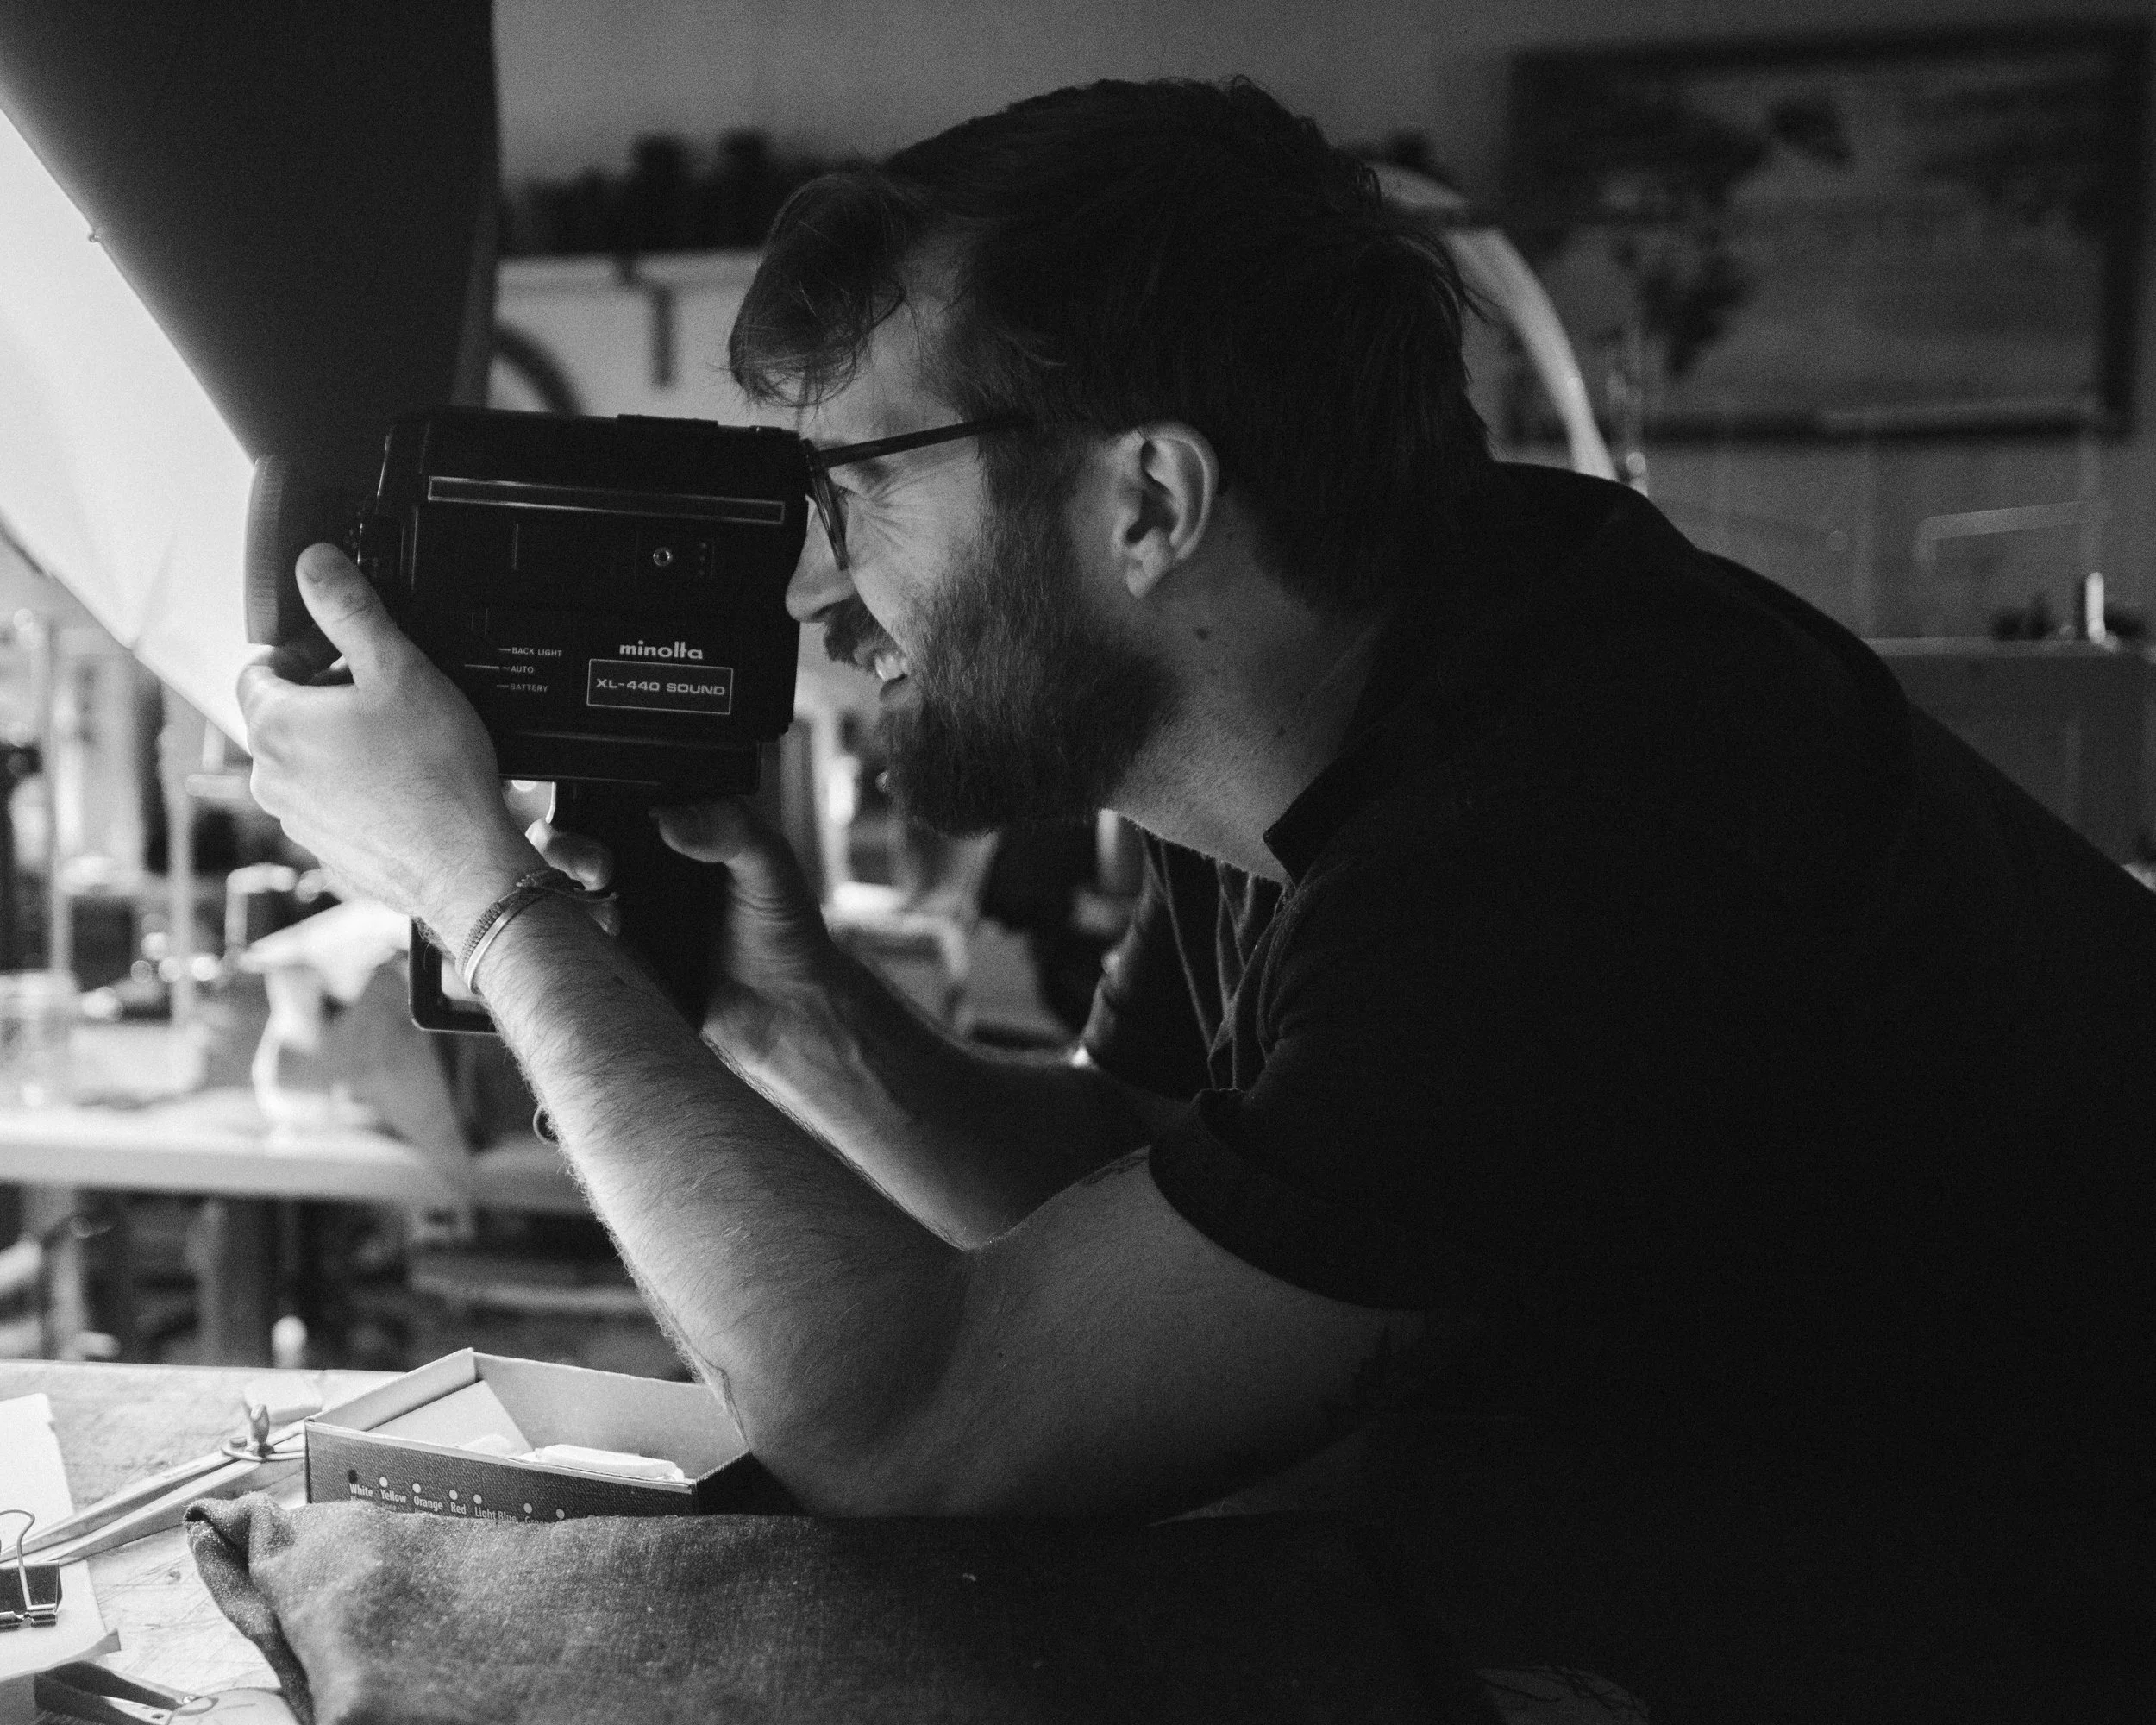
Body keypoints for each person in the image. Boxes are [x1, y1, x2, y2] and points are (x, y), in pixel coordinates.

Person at [241, 78, 2153, 1722]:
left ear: (1144, 503)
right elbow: (1133, 1202)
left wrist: (488, 898)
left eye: (851, 489)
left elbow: (925, 1432)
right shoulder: (1353, 682)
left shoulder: (1565, 836)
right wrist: (776, 1003)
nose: (813, 600)